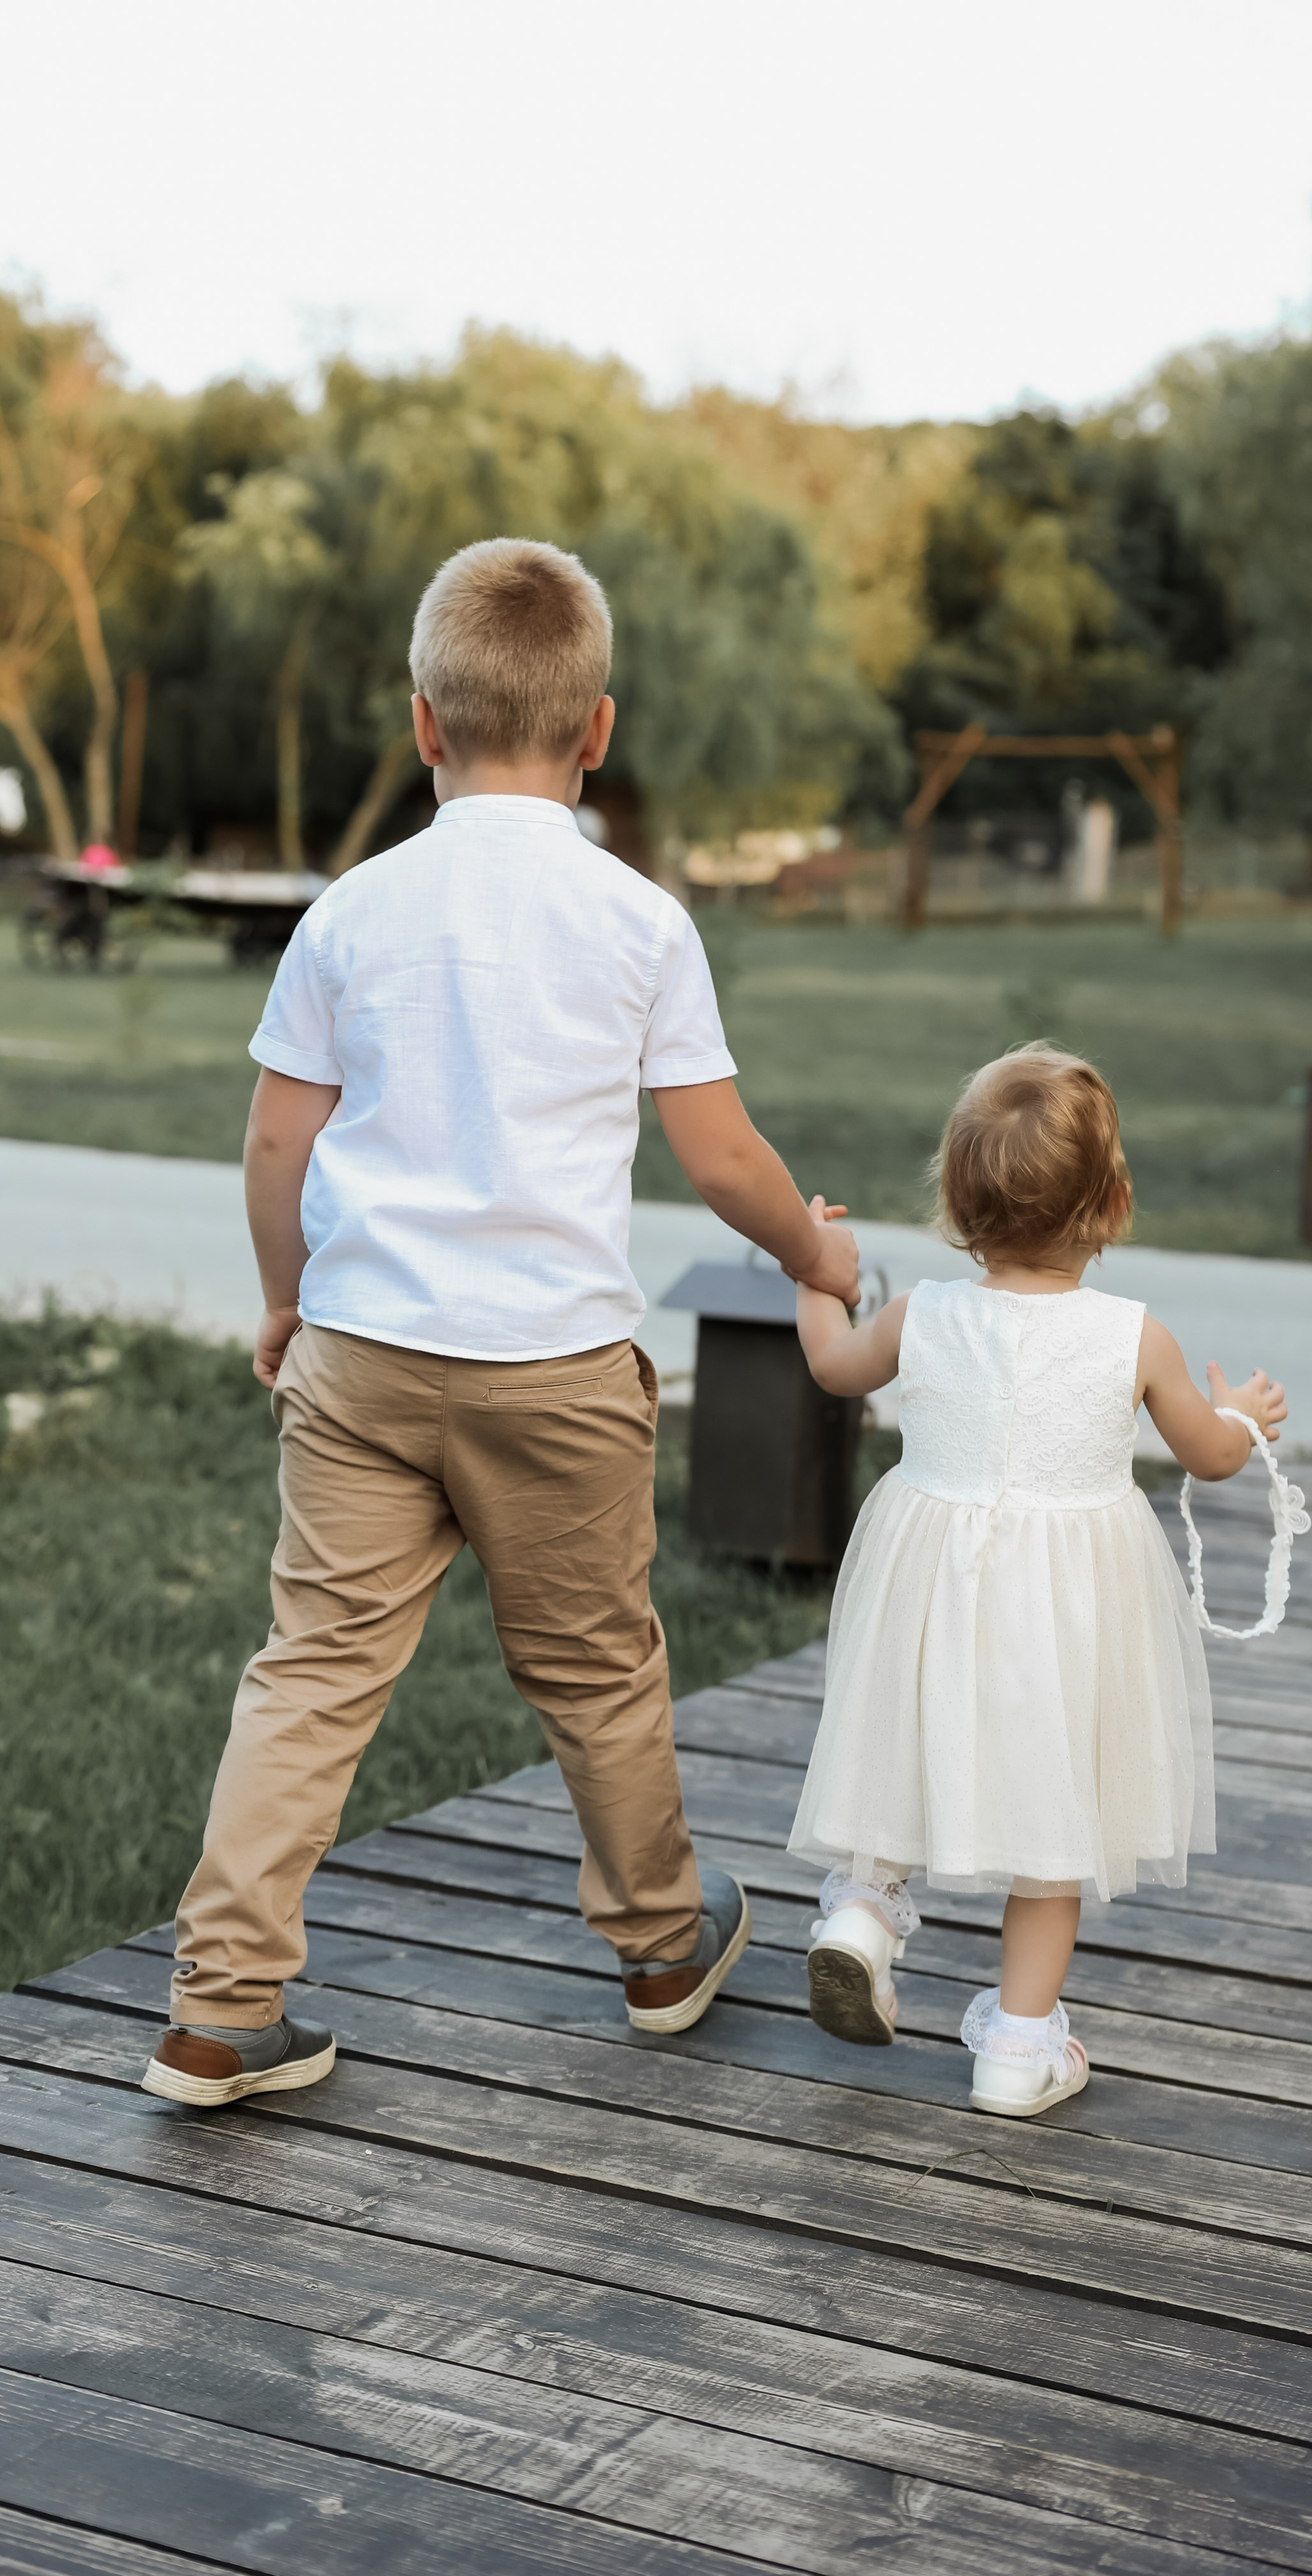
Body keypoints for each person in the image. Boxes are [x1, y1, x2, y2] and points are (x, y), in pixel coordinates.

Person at [143, 537, 860, 2109]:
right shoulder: (638, 920)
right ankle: (665, 1949)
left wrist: (284, 1296)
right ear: (598, 728)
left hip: (364, 1360)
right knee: (598, 1668)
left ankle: (217, 2006)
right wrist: (816, 1248)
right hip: (555, 1368)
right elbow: (719, 1155)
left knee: (314, 1671)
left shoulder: (350, 912)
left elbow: (276, 1144)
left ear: (422, 726)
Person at [788, 1045, 1289, 2117]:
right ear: (1111, 1204)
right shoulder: (1132, 1336)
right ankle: (1018, 2049)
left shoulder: (921, 1314)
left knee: (907, 1743)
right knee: (1054, 1824)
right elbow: (1209, 1453)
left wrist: (816, 1276)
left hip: (929, 1587)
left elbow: (831, 1368)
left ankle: (862, 1915)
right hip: (1066, 1614)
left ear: (955, 1202)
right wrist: (1244, 1408)